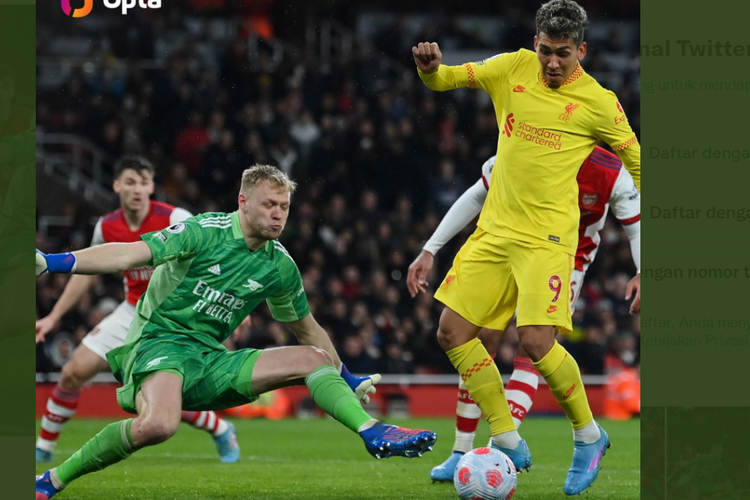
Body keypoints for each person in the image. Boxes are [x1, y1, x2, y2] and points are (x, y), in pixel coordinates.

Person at [35, 165, 436, 499]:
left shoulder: (279, 265)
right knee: (158, 425)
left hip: (210, 357)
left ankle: (372, 431)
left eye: (284, 207)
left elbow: (308, 330)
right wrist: (51, 262)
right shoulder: (203, 231)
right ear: (243, 202)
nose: (279, 214)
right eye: (269, 205)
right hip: (159, 342)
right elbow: (128, 253)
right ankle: (51, 480)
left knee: (313, 359)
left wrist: (347, 377)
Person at [411, 0, 640, 494]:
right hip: (495, 233)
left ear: (582, 49)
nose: (552, 63)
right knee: (452, 333)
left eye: (563, 53)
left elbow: (637, 163)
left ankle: (588, 435)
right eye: (545, 51)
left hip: (548, 240)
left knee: (535, 342)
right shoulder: (512, 68)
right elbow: (446, 79)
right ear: (535, 42)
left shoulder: (599, 101)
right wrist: (430, 71)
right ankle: (506, 435)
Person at [407, 149, 641, 481]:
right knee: (478, 337)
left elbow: (636, 224)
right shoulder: (528, 139)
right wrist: (431, 247)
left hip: (567, 261)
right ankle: (462, 449)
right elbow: (477, 193)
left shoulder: (609, 170)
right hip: (512, 245)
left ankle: (500, 447)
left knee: (533, 344)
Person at [34, 155, 244, 464]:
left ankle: (222, 428)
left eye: (143, 183)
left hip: (172, 317)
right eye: (130, 182)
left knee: (159, 397)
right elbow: (86, 273)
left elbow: (214, 256)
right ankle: (43, 447)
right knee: (73, 372)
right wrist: (53, 316)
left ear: (152, 187)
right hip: (131, 310)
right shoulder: (107, 226)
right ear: (117, 185)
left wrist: (233, 302)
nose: (137, 189)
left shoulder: (176, 217)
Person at [670, 444, 740, 500]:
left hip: (705, 486)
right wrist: (670, 464)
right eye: (717, 452)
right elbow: (687, 463)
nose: (719, 454)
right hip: (693, 485)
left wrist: (733, 488)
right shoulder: (703, 458)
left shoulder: (719, 464)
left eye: (720, 452)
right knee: (692, 494)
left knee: (727, 485)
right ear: (712, 451)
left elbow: (724, 478)